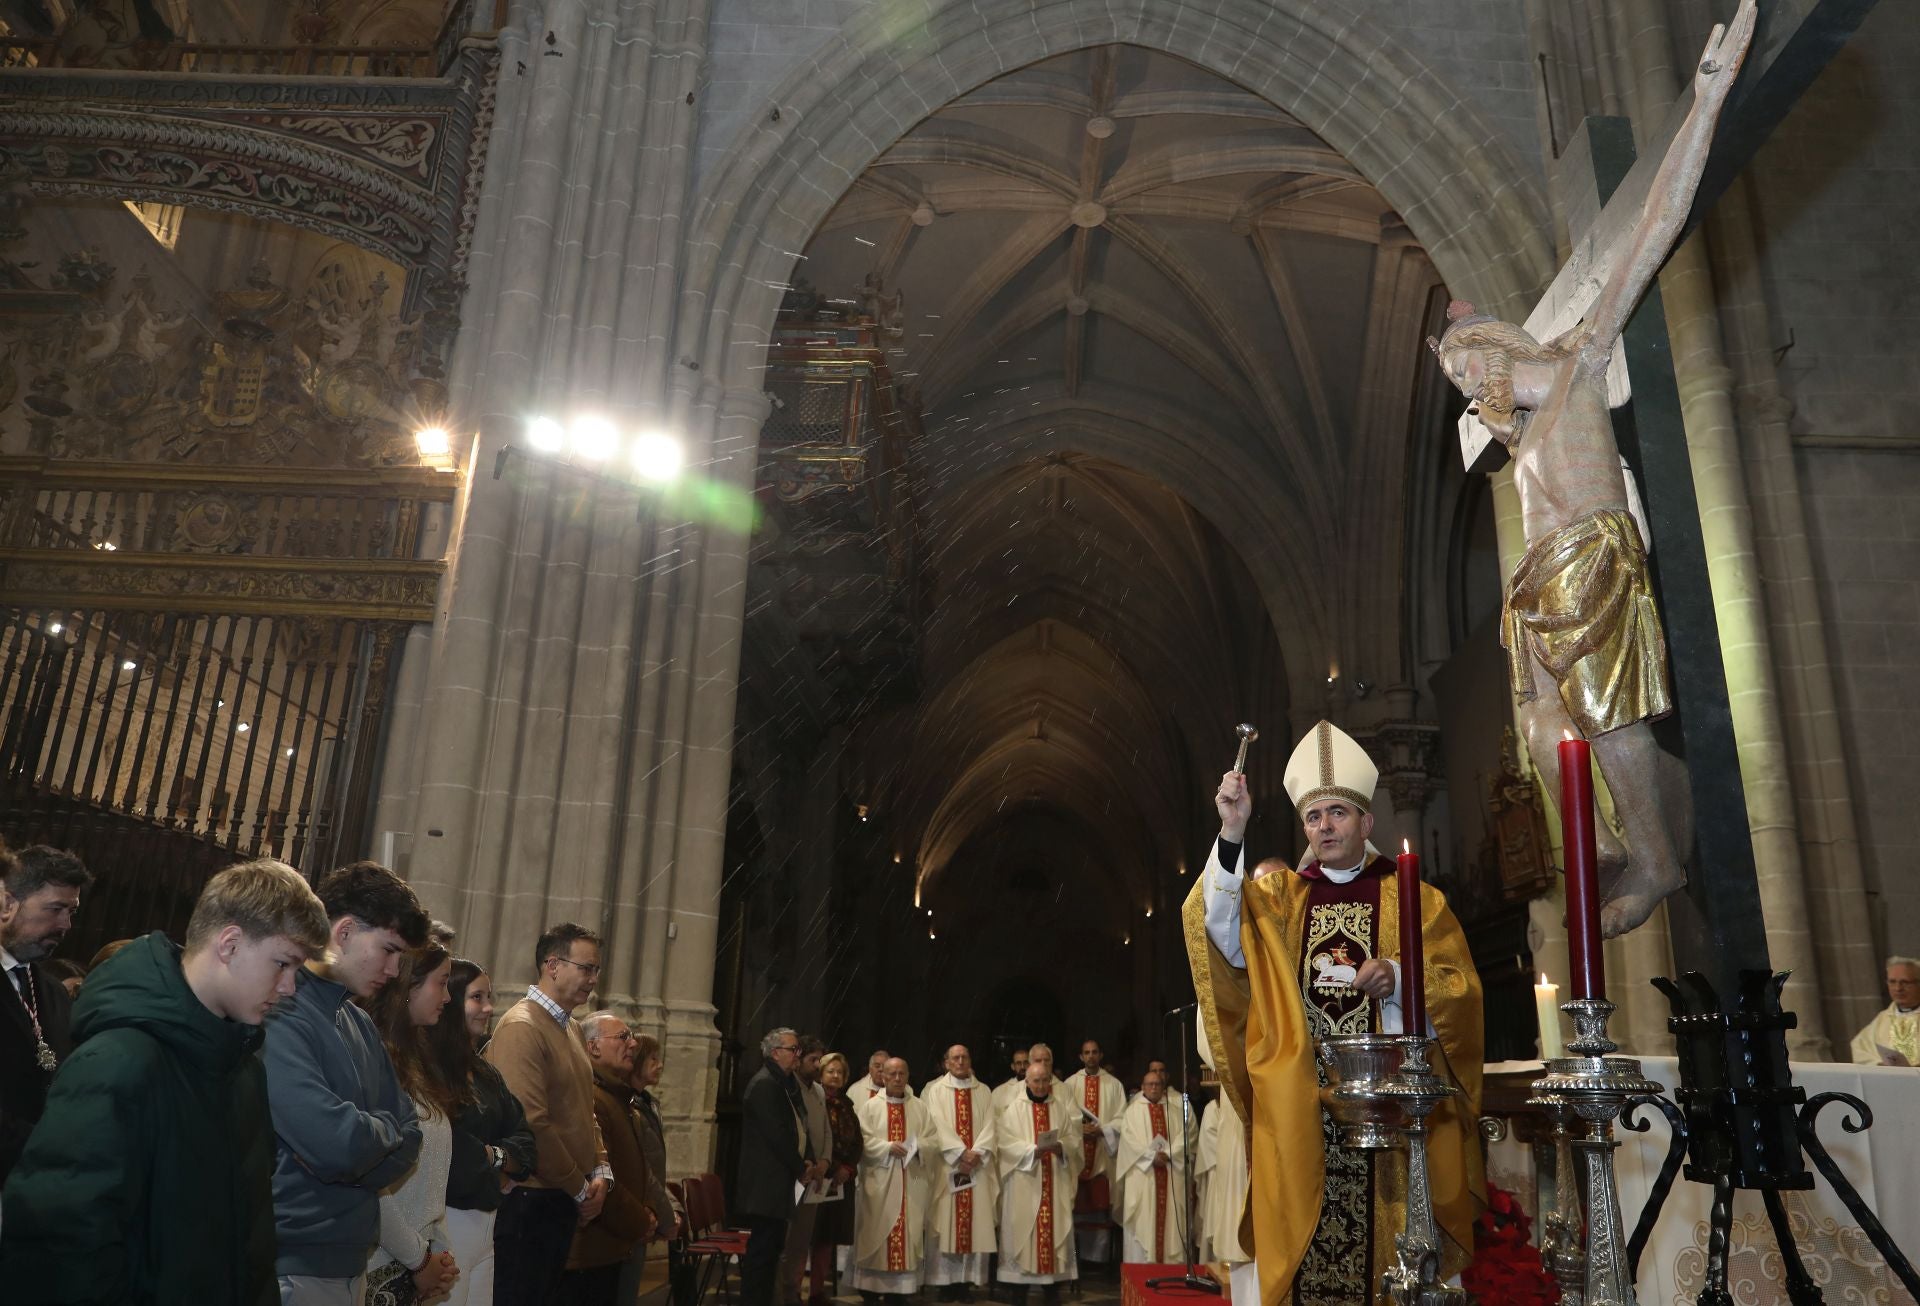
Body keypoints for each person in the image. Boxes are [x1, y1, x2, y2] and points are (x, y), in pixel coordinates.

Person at [1430, 0, 1758, 940]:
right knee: (1541, 735)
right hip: (1537, 585)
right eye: (1456, 380)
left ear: (1498, 348)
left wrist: (1704, 105)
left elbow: (1650, 229)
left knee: (1610, 713)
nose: (1468, 390)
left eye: (1466, 368)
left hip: (1590, 557)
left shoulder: (1575, 366)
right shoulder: (1515, 441)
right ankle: (1636, 818)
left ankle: (1656, 853)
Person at [1190, 720, 1483, 1306]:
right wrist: (1232, 829)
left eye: (1338, 814)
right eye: (1314, 817)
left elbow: (1460, 990)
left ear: (1366, 822)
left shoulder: (1416, 900)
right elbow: (1217, 933)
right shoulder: (1281, 901)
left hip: (1393, 1121)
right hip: (1307, 1112)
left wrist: (1397, 978)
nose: (1325, 827)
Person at [0, 858, 329, 1304]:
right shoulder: (119, 1061)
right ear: (230, 944)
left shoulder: (243, 1070)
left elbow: (252, 1243)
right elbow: (60, 1244)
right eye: (283, 964)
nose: (290, 987)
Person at [264, 859, 430, 1306]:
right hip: (291, 1260)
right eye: (389, 950)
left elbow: (413, 1137)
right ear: (344, 932)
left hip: (350, 1258)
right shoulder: (280, 1010)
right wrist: (378, 1135)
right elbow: (336, 1145)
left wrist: (368, 1138)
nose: (394, 971)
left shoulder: (358, 1021)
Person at [485, 922, 613, 1306]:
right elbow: (532, 1123)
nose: (592, 979)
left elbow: (584, 1109)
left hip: (557, 1195)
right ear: (552, 965)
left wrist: (601, 1170)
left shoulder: (571, 1028)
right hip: (531, 1199)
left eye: (596, 970)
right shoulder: (522, 1026)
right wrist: (578, 1187)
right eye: (585, 968)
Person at [361, 944, 463, 1304]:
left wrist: (440, 1255)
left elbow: (431, 1181)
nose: (449, 997)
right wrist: (419, 1260)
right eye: (442, 982)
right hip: (377, 1263)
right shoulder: (373, 1055)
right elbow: (370, 1180)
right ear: (410, 984)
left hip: (416, 1262)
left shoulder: (418, 1060)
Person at [440, 959, 535, 1306]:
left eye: (489, 997)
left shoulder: (485, 1073)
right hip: (447, 1220)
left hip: (487, 1222)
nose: (488, 1008)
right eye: (477, 997)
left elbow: (525, 1140)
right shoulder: (430, 1069)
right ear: (449, 1000)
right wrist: (496, 1167)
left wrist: (494, 1157)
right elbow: (450, 1148)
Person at [0, 844, 91, 1183]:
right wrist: (50, 1147)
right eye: (55, 909)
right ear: (8, 903)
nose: (65, 925)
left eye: (71, 912)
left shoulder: (52, 992)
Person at [563, 1013, 659, 1303]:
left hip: (610, 1245)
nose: (632, 1044)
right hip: (590, 1249)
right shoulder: (593, 1096)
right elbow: (601, 1177)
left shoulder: (616, 1096)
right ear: (592, 1047)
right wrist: (641, 1220)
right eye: (622, 1037)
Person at [736, 1027, 822, 1306]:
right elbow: (777, 1135)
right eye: (793, 1049)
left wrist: (807, 1159)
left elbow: (800, 1127)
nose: (797, 1055)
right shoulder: (764, 1084)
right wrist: (800, 1166)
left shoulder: (784, 1083)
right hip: (766, 1183)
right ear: (775, 1053)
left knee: (772, 1249)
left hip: (778, 1182)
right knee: (762, 1252)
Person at [851, 1057, 939, 1305]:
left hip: (910, 1181)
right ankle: (870, 1289)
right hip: (879, 1182)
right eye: (892, 1074)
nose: (897, 1079)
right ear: (883, 1076)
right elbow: (862, 1141)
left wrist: (918, 1147)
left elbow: (933, 1140)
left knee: (907, 1232)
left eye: (902, 1074)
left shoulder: (919, 1107)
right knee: (875, 1232)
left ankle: (899, 1290)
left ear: (908, 1076)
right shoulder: (870, 1107)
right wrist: (888, 1147)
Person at [994, 1046, 1078, 1304]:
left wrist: (1061, 1147)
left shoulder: (1059, 1109)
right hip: (1024, 1183)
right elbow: (1004, 1145)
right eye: (1036, 1080)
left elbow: (1073, 1139)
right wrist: (1032, 1151)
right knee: (1022, 1232)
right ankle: (1018, 1290)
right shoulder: (1014, 1110)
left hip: (1053, 1180)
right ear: (1026, 1081)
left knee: (1051, 1234)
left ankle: (1051, 1289)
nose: (1041, 1085)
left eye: (1044, 1080)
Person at [922, 1043, 998, 1301]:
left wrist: (977, 1153)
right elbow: (935, 1123)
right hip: (948, 1168)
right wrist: (959, 1152)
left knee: (973, 1224)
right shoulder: (936, 1091)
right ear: (946, 1063)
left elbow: (990, 1125)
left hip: (977, 1167)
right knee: (945, 1223)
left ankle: (966, 1282)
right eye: (955, 1057)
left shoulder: (984, 1091)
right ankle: (944, 1283)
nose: (961, 1061)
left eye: (965, 1056)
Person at [618, 1032, 680, 1306]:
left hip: (646, 1210)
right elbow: (643, 1168)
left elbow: (656, 1166)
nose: (660, 1064)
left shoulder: (647, 1103)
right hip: (630, 1211)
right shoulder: (628, 1105)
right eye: (653, 1058)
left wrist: (668, 1209)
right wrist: (666, 1217)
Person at [1059, 1038, 1124, 1265]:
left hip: (1102, 1156)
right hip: (1078, 1155)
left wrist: (1102, 1130)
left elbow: (1121, 1119)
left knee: (1100, 1210)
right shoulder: (1068, 1084)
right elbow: (1062, 1118)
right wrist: (1080, 1129)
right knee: (1075, 1209)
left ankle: (1098, 1260)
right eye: (1086, 1052)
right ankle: (1075, 1259)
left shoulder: (1114, 1085)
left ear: (1101, 1055)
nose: (1091, 1056)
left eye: (1095, 1052)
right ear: (1080, 1057)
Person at [808, 1051, 863, 1306]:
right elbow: (815, 1139)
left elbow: (857, 1142)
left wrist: (848, 1168)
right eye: (831, 1071)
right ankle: (793, 1290)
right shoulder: (813, 1100)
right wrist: (834, 1167)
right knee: (808, 1235)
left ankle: (818, 1291)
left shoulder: (847, 1104)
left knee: (827, 1238)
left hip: (841, 1181)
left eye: (840, 1072)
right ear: (821, 1073)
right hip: (819, 1176)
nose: (836, 1076)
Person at [1115, 1069, 1188, 1264]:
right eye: (1150, 1084)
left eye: (1157, 1084)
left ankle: (1171, 1269)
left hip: (1170, 1171)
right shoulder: (1132, 1111)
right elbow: (1129, 1142)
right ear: (1143, 1087)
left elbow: (1187, 1137)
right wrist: (1150, 1157)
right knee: (1143, 1222)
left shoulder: (1175, 1111)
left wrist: (1168, 1154)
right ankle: (1141, 1268)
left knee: (1171, 1223)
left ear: (1164, 1088)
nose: (1154, 1087)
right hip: (1143, 1176)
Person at [780, 1035, 833, 1304]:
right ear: (799, 1059)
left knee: (803, 1239)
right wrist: (808, 1162)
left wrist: (825, 1161)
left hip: (816, 1174)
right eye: (813, 1060)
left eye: (820, 1060)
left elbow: (825, 1129)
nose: (817, 1066)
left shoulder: (819, 1091)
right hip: (797, 1173)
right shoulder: (790, 1088)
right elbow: (796, 1132)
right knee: (789, 1239)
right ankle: (785, 1291)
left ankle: (795, 1290)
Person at [1195, 1090, 1249, 1270]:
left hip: (1241, 1170)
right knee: (1219, 1216)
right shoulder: (1212, 1108)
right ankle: (1216, 1262)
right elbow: (1208, 1139)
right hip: (1218, 1171)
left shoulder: (1247, 1103)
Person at [1850, 957, 1920, 1066]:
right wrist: (1880, 1064)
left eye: (1905, 982)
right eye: (1892, 982)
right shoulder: (1882, 1019)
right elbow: (1860, 1048)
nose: (1898, 988)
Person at [990, 1047, 1030, 1116]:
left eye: (1026, 1063)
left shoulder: (1039, 1089)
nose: (1023, 1067)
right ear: (1013, 1066)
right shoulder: (999, 1092)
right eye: (1018, 1063)